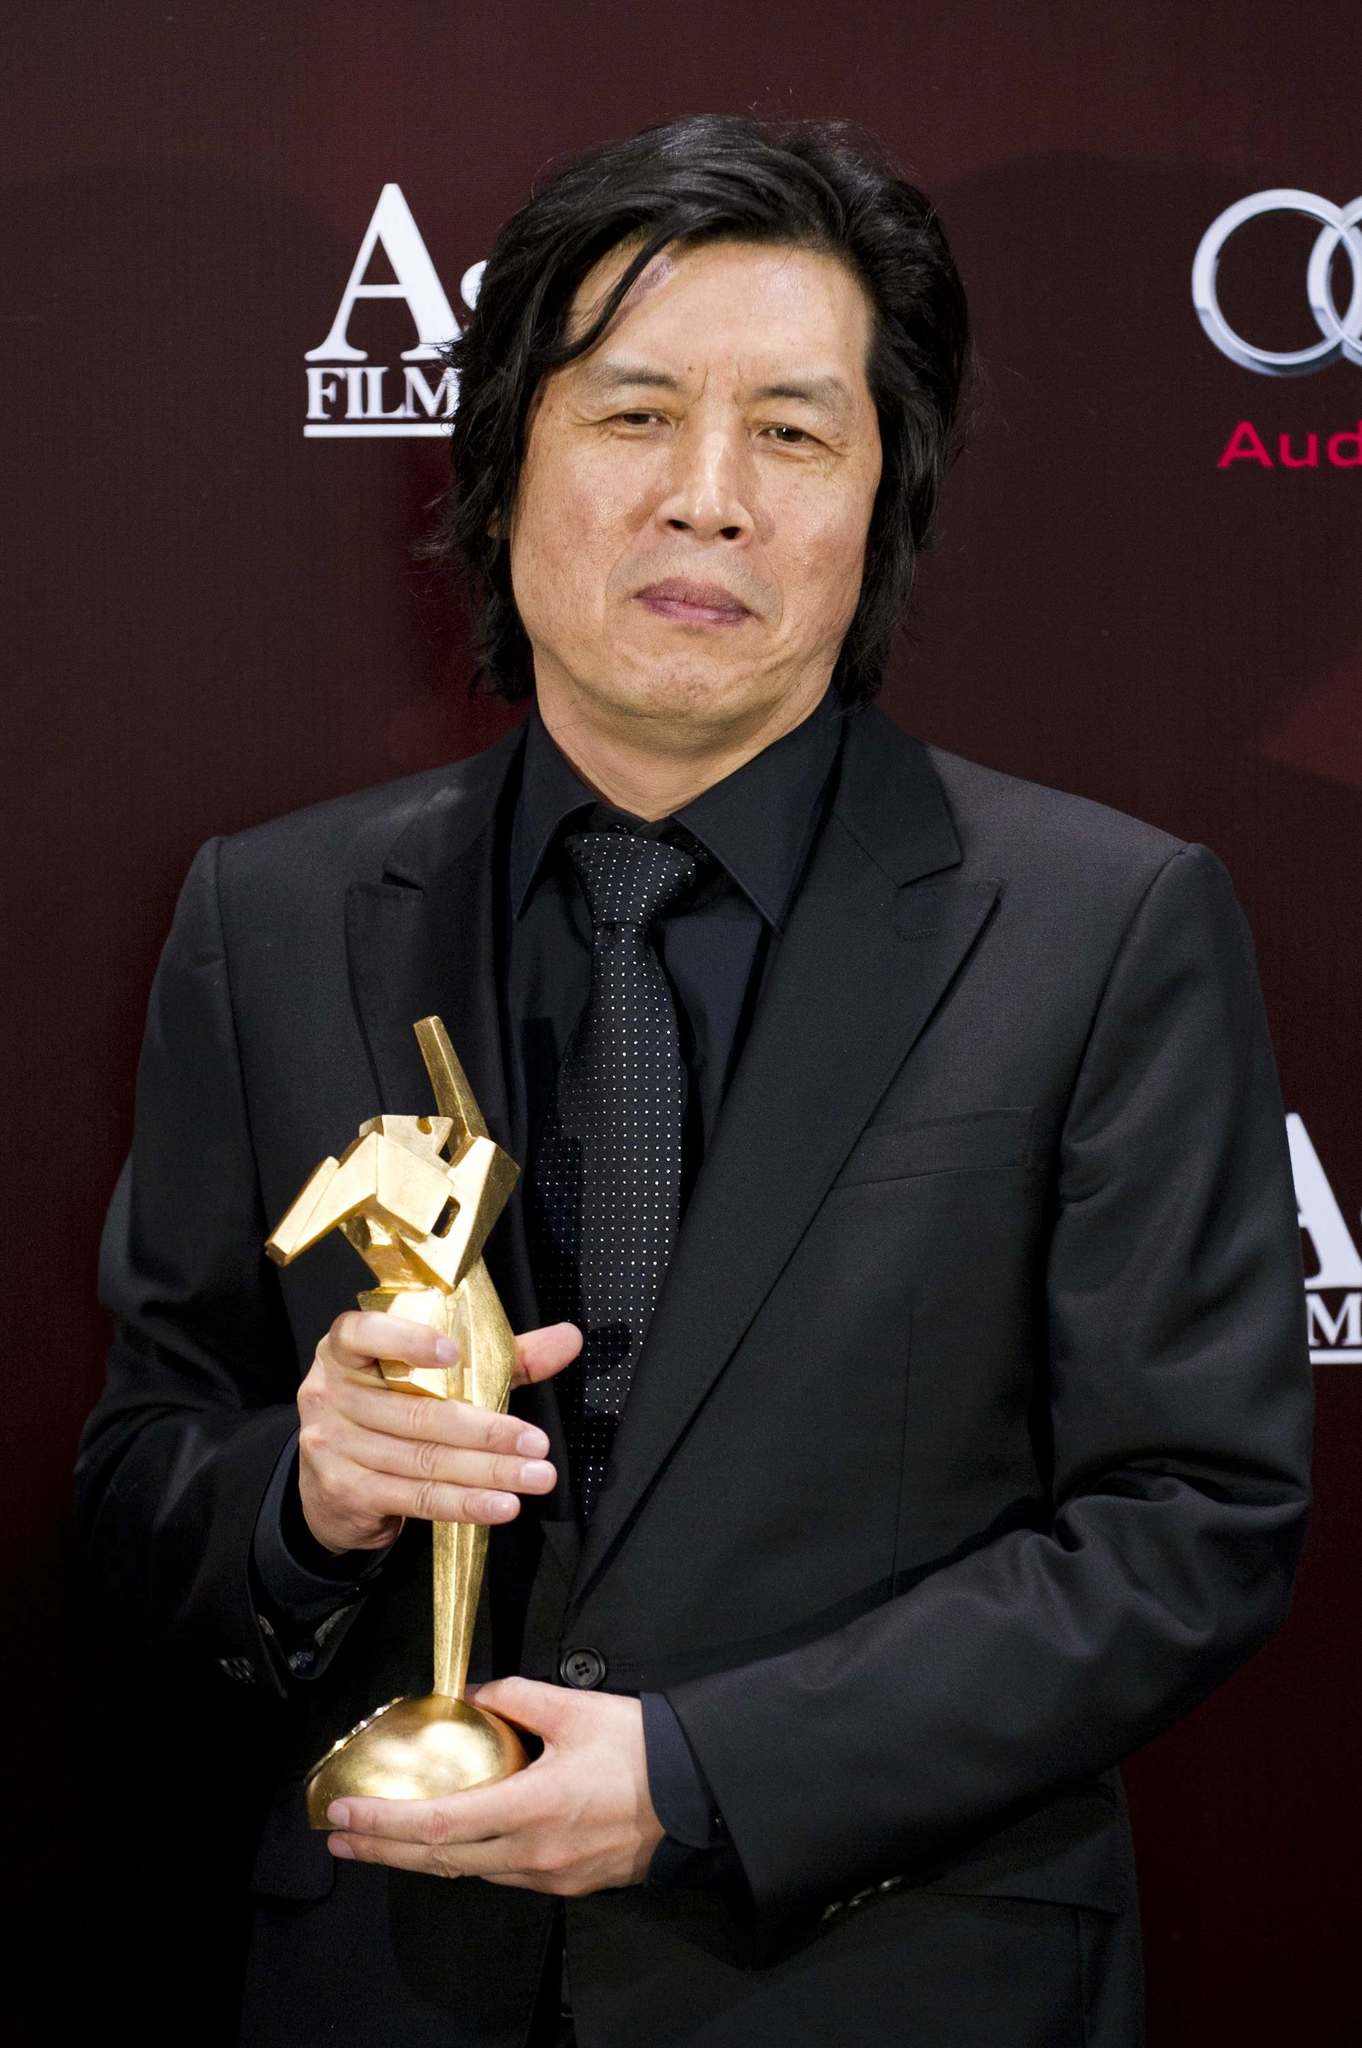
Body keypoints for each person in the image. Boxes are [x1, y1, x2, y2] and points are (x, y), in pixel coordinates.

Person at [77, 114, 1312, 2048]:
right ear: (501, 464)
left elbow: (1190, 1518)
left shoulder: (1100, 925)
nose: (708, 499)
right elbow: (147, 1467)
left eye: (794, 433)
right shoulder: (275, 915)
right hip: (390, 1976)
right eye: (634, 415)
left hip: (894, 1981)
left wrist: (704, 1777)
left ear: (883, 501)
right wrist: (308, 1494)